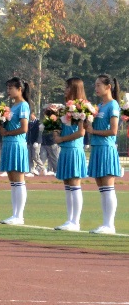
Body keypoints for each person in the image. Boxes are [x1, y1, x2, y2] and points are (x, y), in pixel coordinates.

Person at [53, 78, 90, 232]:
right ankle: (69, 219)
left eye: (68, 87)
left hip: (74, 149)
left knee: (75, 184)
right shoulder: (64, 108)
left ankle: (75, 221)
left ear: (75, 89)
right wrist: (55, 130)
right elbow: (59, 127)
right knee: (67, 185)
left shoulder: (82, 107)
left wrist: (62, 139)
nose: (65, 90)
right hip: (65, 149)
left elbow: (81, 132)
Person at [85, 75, 120, 234]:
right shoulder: (99, 106)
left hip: (106, 148)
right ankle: (105, 223)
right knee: (102, 188)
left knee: (108, 187)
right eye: (95, 85)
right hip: (97, 148)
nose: (96, 88)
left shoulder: (113, 105)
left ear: (108, 87)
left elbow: (113, 131)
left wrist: (93, 131)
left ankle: (109, 225)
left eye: (99, 85)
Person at [0, 77, 32, 226]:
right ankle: (14, 213)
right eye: (8, 88)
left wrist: (8, 133)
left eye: (11, 88)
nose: (8, 91)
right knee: (13, 180)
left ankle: (19, 215)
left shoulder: (23, 105)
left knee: (18, 179)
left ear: (20, 89)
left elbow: (24, 128)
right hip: (8, 143)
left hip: (17, 144)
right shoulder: (12, 106)